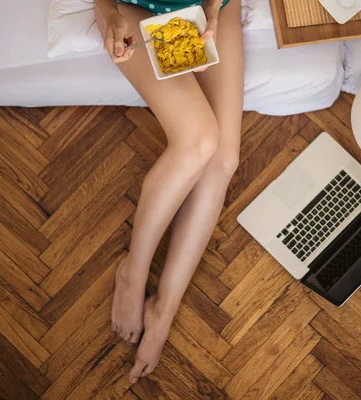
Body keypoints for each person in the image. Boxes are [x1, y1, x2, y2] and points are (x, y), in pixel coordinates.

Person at [94, 0, 243, 384]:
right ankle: (133, 272)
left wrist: (211, 12)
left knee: (223, 159)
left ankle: (165, 306)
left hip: (212, 6)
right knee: (198, 141)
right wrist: (110, 15)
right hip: (133, 6)